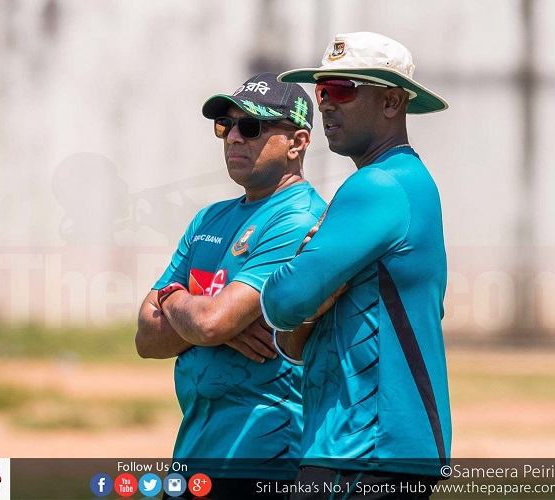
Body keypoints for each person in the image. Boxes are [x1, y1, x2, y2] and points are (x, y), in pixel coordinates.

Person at [260, 32, 451, 499]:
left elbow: (283, 300)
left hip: (365, 445)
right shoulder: (407, 181)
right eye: (321, 90)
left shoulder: (377, 185)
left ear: (391, 101)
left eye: (342, 89)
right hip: (377, 444)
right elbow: (300, 336)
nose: (325, 103)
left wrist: (298, 280)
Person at [136, 73, 326, 499]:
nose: (234, 137)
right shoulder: (209, 219)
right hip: (196, 454)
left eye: (252, 126)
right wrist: (203, 316)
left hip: (266, 455)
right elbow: (146, 339)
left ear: (297, 143)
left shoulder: (299, 219)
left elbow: (210, 324)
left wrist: (175, 301)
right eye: (226, 125)